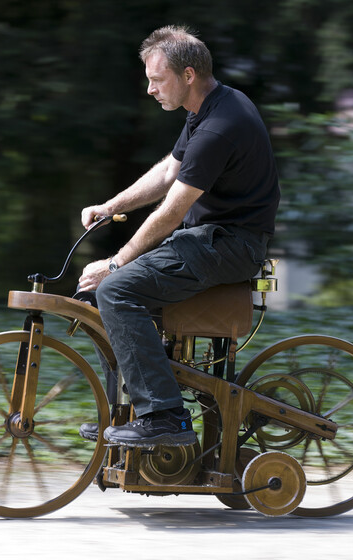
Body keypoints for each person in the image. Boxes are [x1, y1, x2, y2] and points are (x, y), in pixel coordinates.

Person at [77, 25, 279, 447]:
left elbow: (172, 211)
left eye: (156, 79)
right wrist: (111, 206)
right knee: (103, 296)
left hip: (231, 244)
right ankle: (130, 411)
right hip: (207, 239)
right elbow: (170, 170)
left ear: (188, 75)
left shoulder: (220, 126)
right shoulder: (205, 109)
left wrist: (116, 263)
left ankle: (166, 417)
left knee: (115, 290)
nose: (150, 89)